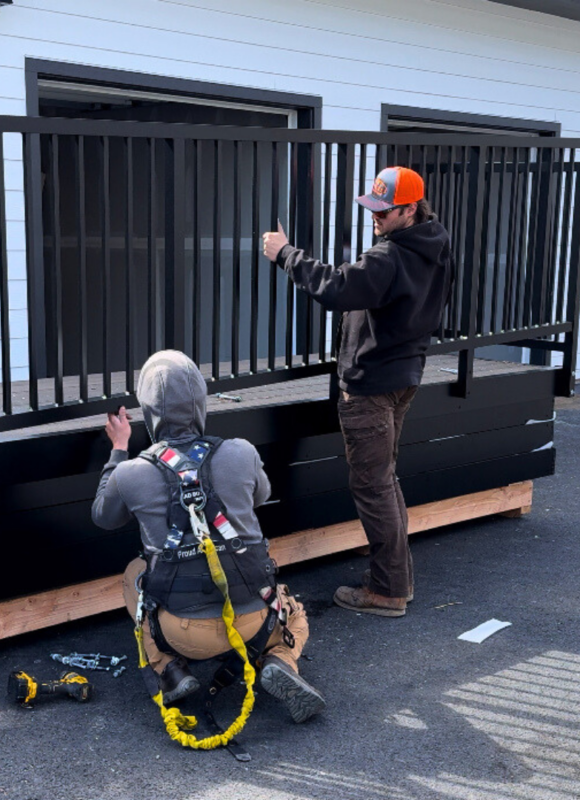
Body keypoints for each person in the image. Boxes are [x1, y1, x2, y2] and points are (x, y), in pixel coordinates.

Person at [92, 349, 325, 723]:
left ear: (149, 411)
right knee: (294, 614)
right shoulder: (241, 452)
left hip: (182, 631)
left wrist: (119, 448)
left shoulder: (131, 473)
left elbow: (103, 516)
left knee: (134, 571)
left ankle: (169, 667)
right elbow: (261, 495)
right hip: (254, 622)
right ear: (200, 404)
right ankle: (280, 660)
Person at [262, 166, 453, 618]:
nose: (376, 218)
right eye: (373, 209)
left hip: (371, 384)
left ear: (409, 210)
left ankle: (387, 591)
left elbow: (337, 287)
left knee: (373, 486)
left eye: (384, 212)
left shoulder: (389, 257)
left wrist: (285, 254)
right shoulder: (436, 246)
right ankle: (395, 579)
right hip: (406, 374)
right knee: (384, 479)